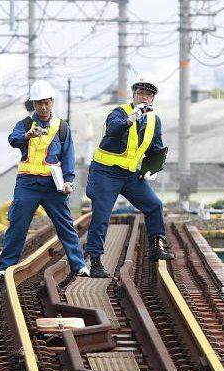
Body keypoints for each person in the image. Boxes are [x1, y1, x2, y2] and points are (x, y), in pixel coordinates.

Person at [0, 80, 88, 279]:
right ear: (33, 104)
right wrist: (27, 136)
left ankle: (79, 266)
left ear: (52, 102)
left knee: (65, 225)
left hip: (52, 186)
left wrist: (68, 180)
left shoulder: (62, 127)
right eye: (38, 103)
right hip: (27, 184)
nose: (43, 107)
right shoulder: (25, 124)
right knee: (17, 225)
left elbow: (68, 155)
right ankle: (4, 267)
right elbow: (13, 139)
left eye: (46, 102)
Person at [83, 73, 173, 278]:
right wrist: (130, 119)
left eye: (148, 94)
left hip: (131, 175)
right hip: (106, 172)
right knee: (102, 215)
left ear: (152, 99)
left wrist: (153, 169)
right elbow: (113, 130)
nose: (144, 97)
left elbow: (155, 148)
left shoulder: (153, 120)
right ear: (133, 94)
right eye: (141, 92)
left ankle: (155, 246)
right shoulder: (119, 112)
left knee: (154, 205)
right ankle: (95, 261)